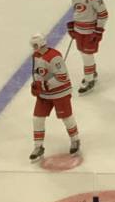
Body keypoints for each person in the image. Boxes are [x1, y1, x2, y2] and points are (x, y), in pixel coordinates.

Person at [28, 32, 81, 162]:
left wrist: (44, 85)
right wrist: (36, 84)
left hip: (60, 93)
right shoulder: (36, 55)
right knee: (37, 119)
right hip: (44, 94)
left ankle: (75, 140)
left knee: (66, 117)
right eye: (33, 45)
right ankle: (38, 146)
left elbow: (62, 77)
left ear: (41, 43)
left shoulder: (54, 57)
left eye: (36, 45)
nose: (34, 48)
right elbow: (38, 73)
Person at [68, 0, 106, 94]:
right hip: (79, 29)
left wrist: (98, 31)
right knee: (83, 53)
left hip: (90, 31)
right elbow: (78, 10)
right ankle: (92, 72)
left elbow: (103, 14)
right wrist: (73, 26)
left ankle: (89, 80)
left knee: (87, 55)